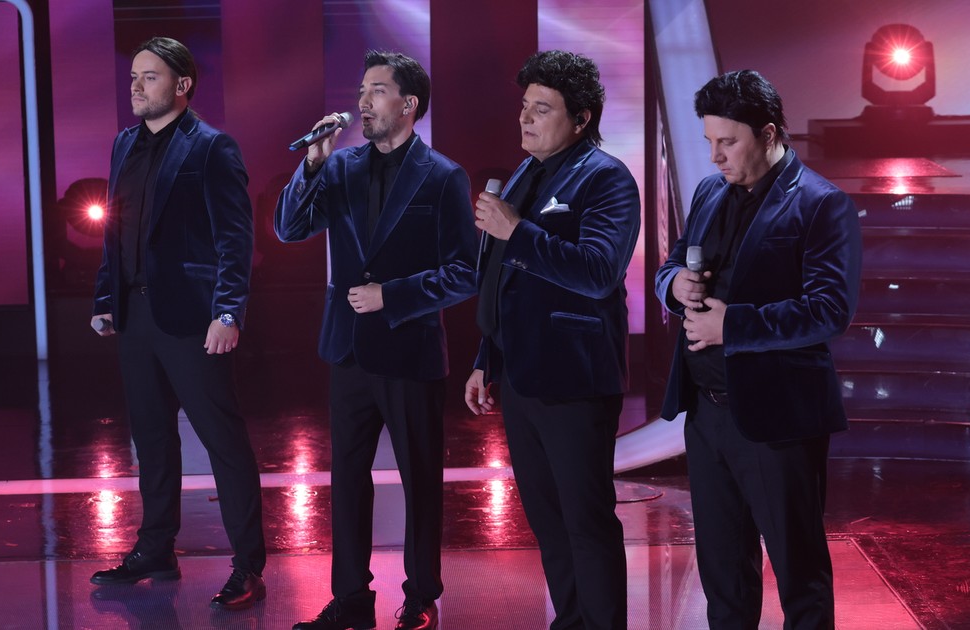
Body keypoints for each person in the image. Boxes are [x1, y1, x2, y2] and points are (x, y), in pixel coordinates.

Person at [276, 50, 478, 630]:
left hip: (410, 351)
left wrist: (393, 295)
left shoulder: (443, 176)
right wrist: (312, 164)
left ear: (408, 104)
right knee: (347, 480)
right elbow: (289, 228)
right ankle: (350, 600)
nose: (363, 102)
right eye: (362, 90)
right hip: (347, 349)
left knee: (420, 480)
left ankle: (420, 597)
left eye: (377, 91)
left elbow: (465, 272)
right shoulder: (341, 167)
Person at [655, 70, 862, 629]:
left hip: (779, 420)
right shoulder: (708, 192)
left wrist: (733, 325)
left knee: (799, 575)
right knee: (722, 576)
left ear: (768, 133)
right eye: (710, 142)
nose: (715, 156)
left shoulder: (822, 203)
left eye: (728, 142)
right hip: (706, 413)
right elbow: (671, 262)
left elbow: (830, 310)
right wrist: (673, 285)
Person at [463, 50, 640, 630]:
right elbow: (501, 277)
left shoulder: (606, 177)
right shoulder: (525, 172)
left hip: (575, 377)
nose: (525, 118)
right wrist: (486, 357)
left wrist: (517, 230)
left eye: (542, 109)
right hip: (520, 374)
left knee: (586, 521)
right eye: (524, 106)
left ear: (581, 118)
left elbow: (598, 271)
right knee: (547, 521)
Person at [88, 37, 266, 611]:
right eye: (133, 77)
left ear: (182, 84)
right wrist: (106, 297)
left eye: (150, 77)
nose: (136, 86)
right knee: (152, 438)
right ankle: (156, 549)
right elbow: (115, 230)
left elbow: (235, 240)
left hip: (193, 318)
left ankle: (248, 566)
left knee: (222, 440)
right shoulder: (123, 144)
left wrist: (227, 311)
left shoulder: (212, 147)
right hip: (136, 315)